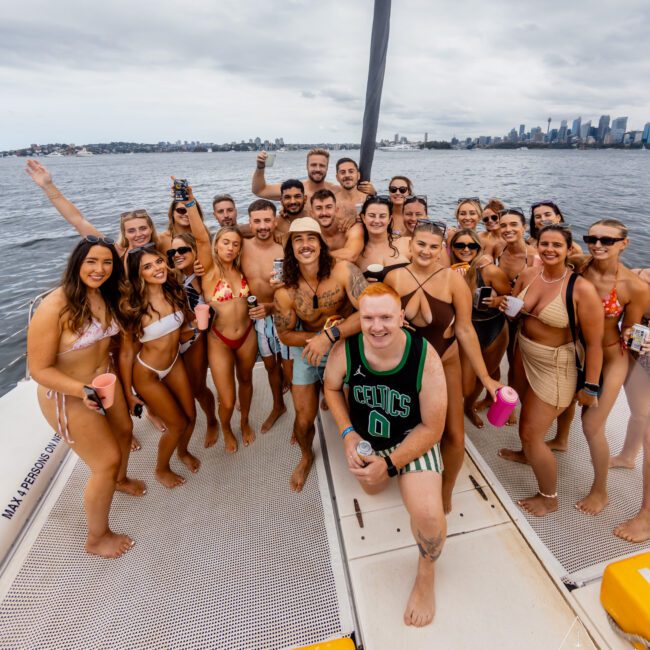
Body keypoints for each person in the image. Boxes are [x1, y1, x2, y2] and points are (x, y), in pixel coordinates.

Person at [324, 282, 447, 627]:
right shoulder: (346, 351)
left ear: (402, 317)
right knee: (372, 488)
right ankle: (385, 475)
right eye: (368, 318)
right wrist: (347, 433)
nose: (377, 326)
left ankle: (426, 576)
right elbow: (331, 387)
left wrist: (391, 465)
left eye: (385, 317)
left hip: (411, 439)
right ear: (358, 319)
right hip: (368, 439)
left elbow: (432, 428)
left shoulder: (424, 356)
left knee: (427, 516)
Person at [29, 237, 144, 558]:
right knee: (104, 462)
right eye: (91, 262)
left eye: (107, 262)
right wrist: (82, 391)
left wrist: (127, 388)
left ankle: (120, 480)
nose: (100, 269)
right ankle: (97, 537)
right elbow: (38, 369)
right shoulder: (54, 306)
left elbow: (117, 345)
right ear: (77, 263)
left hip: (104, 380)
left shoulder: (105, 295)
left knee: (124, 432)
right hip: (69, 394)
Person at [384, 221, 501, 512]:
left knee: (453, 433)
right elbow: (379, 323)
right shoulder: (394, 279)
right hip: (408, 363)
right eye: (420, 244)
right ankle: (411, 475)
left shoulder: (453, 281)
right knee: (408, 427)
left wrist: (486, 378)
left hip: (445, 359)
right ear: (410, 246)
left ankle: (446, 490)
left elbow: (464, 330)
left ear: (441, 250)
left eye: (433, 246)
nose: (426, 251)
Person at [498, 225, 603, 517]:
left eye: (557, 245)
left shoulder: (581, 289)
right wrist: (508, 305)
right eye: (544, 243)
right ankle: (527, 453)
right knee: (524, 414)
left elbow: (594, 345)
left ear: (569, 250)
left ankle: (548, 496)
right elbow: (516, 309)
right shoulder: (531, 273)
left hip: (555, 366)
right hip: (523, 352)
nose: (549, 250)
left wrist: (590, 387)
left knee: (532, 432)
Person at [273, 217, 368, 491]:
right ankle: (305, 456)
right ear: (290, 248)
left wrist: (330, 336)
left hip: (345, 342)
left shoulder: (344, 271)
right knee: (302, 420)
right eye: (298, 240)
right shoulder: (285, 291)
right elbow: (285, 334)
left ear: (321, 243)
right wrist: (316, 340)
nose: (305, 245)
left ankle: (358, 448)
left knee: (355, 410)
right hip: (308, 347)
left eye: (311, 238)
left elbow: (367, 312)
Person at [567, 220, 649, 514]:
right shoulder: (579, 265)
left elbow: (632, 329)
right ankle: (560, 440)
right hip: (577, 351)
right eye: (592, 238)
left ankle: (600, 491)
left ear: (624, 244)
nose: (598, 244)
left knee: (591, 424)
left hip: (612, 358)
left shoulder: (634, 287)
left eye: (607, 241)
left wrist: (633, 336)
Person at [120, 244, 198, 487]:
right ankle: (161, 469)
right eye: (147, 266)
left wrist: (198, 327)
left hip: (174, 363)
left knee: (191, 416)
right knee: (176, 425)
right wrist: (129, 394)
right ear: (138, 274)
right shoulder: (133, 307)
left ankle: (182, 452)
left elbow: (182, 330)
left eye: (158, 262)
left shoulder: (174, 291)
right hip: (148, 373)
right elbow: (125, 355)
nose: (157, 268)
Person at [187, 192, 258, 452]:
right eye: (225, 243)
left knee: (247, 381)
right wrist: (190, 202)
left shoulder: (242, 269)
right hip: (220, 339)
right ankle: (226, 427)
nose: (230, 248)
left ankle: (245, 421)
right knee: (227, 400)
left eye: (235, 244)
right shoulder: (208, 269)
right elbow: (199, 237)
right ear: (217, 245)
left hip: (247, 335)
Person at [25, 159, 161, 259]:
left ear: (151, 229)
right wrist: (48, 186)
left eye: (143, 228)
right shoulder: (117, 252)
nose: (138, 234)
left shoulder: (163, 250)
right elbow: (77, 220)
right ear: (124, 234)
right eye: (131, 230)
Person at [449, 229, 511, 427]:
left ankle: (468, 408)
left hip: (494, 328)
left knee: (488, 372)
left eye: (471, 245)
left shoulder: (490, 271)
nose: (466, 249)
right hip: (467, 329)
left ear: (479, 248)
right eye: (460, 245)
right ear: (452, 248)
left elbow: (508, 296)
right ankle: (465, 404)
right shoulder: (447, 271)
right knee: (466, 385)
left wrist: (496, 301)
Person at [240, 199, 290, 433]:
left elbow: (295, 287)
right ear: (249, 223)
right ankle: (278, 405)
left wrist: (271, 306)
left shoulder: (284, 248)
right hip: (259, 319)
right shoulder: (241, 247)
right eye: (257, 221)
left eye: (267, 220)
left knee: (289, 367)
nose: (262, 226)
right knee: (271, 366)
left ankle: (301, 412)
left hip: (281, 313)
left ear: (275, 221)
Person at [167, 232, 220, 448]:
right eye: (172, 252)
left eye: (182, 250)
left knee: (198, 387)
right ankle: (185, 423)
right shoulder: (169, 277)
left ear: (194, 251)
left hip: (198, 337)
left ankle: (212, 420)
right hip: (175, 339)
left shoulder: (205, 272)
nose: (177, 255)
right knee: (181, 389)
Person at [613, 327, 650, 542]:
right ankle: (628, 456)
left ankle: (647, 516)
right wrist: (628, 331)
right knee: (641, 414)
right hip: (645, 357)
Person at [612, 267, 650, 470]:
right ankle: (627, 457)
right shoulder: (636, 274)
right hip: (633, 348)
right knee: (640, 412)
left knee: (645, 417)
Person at [252, 147, 337, 202]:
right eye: (313, 165)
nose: (318, 169)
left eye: (322, 165)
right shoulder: (293, 190)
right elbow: (259, 190)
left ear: (327, 168)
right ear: (307, 166)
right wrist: (260, 167)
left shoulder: (336, 192)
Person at [357, 195, 410, 281]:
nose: (377, 221)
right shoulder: (356, 252)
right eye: (372, 215)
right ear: (363, 218)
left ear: (389, 219)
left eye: (382, 216)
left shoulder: (407, 243)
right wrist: (361, 284)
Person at [310, 189, 364, 262]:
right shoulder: (311, 234)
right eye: (318, 208)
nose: (324, 213)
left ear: (336, 210)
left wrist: (318, 256)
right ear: (312, 213)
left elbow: (351, 255)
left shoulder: (352, 227)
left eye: (328, 207)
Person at [333, 157, 375, 228]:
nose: (347, 175)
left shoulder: (368, 199)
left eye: (351, 171)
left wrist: (357, 219)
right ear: (337, 177)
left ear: (358, 175)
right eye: (343, 172)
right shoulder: (332, 202)